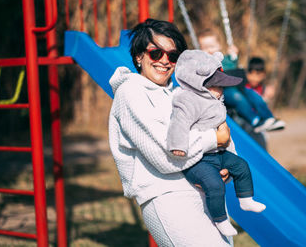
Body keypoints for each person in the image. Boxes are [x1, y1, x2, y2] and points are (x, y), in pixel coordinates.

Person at [108, 19, 233, 246]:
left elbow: (219, 131)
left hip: (204, 192)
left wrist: (225, 165)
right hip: (168, 198)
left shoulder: (178, 95)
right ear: (139, 56)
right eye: (156, 53)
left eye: (173, 56)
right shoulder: (130, 93)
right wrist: (214, 139)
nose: (165, 61)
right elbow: (166, 156)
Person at [167, 50, 266, 236]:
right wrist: (178, 146)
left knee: (242, 166)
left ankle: (245, 199)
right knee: (214, 184)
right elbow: (178, 125)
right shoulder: (186, 100)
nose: (222, 91)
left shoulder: (216, 101)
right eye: (217, 86)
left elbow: (225, 133)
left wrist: (231, 152)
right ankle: (220, 219)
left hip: (218, 153)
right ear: (201, 85)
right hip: (199, 160)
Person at [198, 29, 285, 132]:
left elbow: (232, 64)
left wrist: (234, 55)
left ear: (219, 46)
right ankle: (255, 121)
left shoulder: (225, 59)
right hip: (223, 92)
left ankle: (268, 118)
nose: (209, 50)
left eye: (212, 47)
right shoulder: (203, 63)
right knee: (237, 97)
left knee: (252, 94)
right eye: (205, 48)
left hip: (236, 87)